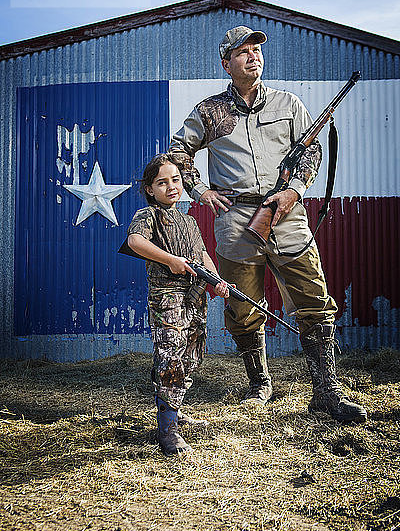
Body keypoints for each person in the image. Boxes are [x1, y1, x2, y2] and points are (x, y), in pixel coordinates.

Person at [169, 25, 367, 424]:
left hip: (288, 217)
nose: (253, 56)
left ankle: (326, 392)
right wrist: (200, 191)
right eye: (242, 52)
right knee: (243, 307)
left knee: (315, 301)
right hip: (237, 221)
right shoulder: (209, 111)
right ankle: (260, 385)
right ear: (226, 63)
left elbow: (311, 152)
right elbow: (178, 151)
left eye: (256, 50)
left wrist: (294, 190)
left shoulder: (289, 104)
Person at [127, 153, 229, 455]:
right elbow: (135, 242)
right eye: (162, 182)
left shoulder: (189, 220)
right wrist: (170, 260)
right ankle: (167, 428)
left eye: (176, 179)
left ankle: (175, 408)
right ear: (150, 189)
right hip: (167, 296)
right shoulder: (148, 216)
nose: (172, 186)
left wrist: (217, 281)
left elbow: (203, 256)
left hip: (195, 296)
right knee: (171, 353)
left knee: (192, 355)